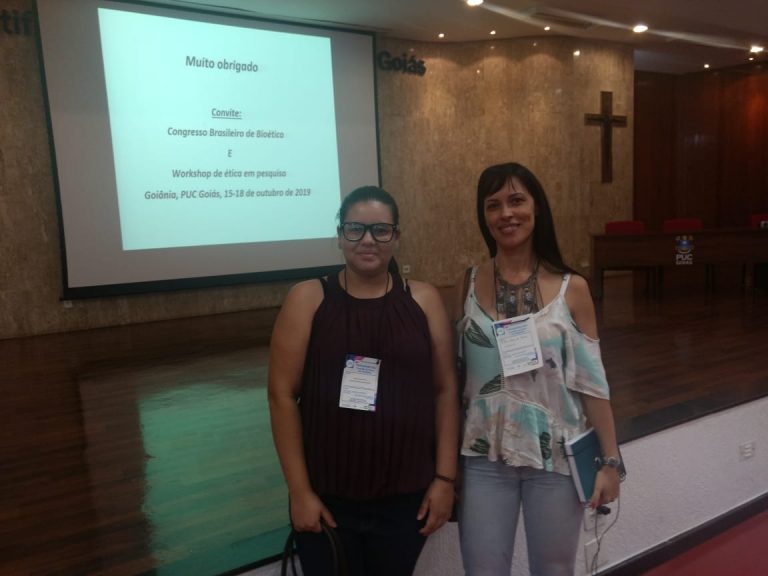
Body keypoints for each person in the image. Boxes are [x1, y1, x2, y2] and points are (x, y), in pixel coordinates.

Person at [268, 185, 459, 576]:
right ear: (340, 236)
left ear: (397, 236)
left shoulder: (423, 299)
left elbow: (445, 391)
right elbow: (281, 395)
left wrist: (445, 478)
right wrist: (299, 492)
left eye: (380, 230)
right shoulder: (308, 298)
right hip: (327, 501)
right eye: (355, 229)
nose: (368, 240)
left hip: (406, 499)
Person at [453, 163, 621, 576]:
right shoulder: (467, 283)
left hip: (555, 457)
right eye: (493, 205)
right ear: (483, 215)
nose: (506, 214)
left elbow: (592, 383)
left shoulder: (571, 288)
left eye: (516, 200)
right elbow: (457, 380)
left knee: (554, 570)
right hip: (484, 457)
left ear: (537, 207)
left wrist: (610, 462)